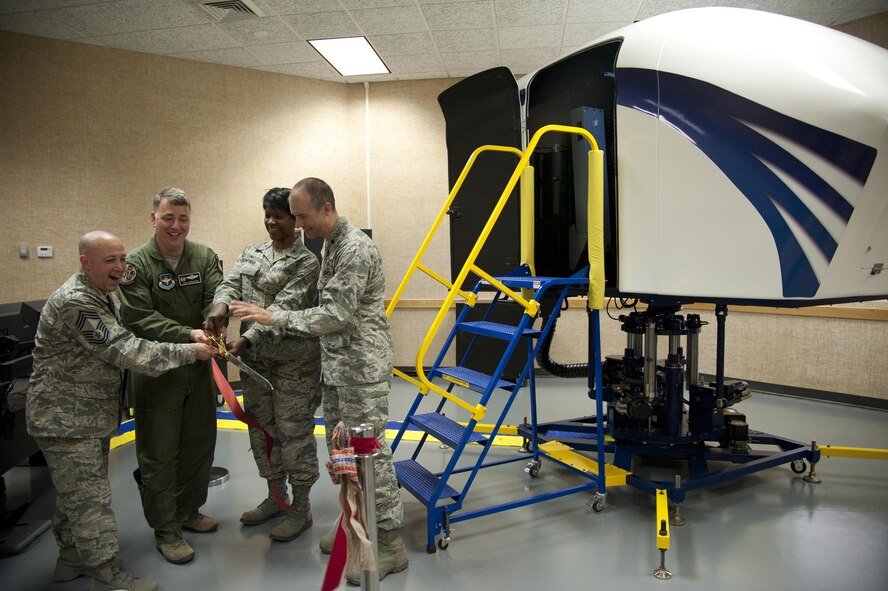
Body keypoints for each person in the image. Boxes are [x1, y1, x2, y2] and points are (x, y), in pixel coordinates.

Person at [230, 177, 407, 584]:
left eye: (303, 216)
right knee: (343, 451)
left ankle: (391, 544)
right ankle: (355, 523)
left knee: (371, 457)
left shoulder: (353, 248)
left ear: (326, 209)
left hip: (361, 370)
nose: (298, 224)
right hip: (337, 367)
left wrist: (273, 315)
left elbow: (333, 315)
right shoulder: (328, 242)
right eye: (294, 216)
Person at [26, 231, 215, 591]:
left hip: (83, 417)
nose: (119, 267)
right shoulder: (77, 302)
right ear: (85, 262)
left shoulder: (101, 294)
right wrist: (190, 351)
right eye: (109, 260)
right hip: (66, 420)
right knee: (90, 501)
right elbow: (126, 350)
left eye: (122, 258)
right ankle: (107, 574)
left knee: (73, 496)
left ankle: (71, 561)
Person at [204, 187, 322, 542]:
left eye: (279, 216)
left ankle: (301, 507)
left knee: (293, 432)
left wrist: (244, 340)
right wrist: (219, 308)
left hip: (293, 365)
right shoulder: (251, 252)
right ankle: (275, 497)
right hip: (255, 364)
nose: (271, 221)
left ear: (295, 221)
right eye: (267, 214)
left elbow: (280, 311)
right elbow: (230, 284)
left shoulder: (307, 263)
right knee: (262, 429)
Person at [117, 187, 223, 565]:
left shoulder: (204, 256)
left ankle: (189, 510)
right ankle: (166, 529)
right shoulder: (135, 265)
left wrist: (215, 319)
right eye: (168, 218)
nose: (176, 226)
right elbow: (138, 318)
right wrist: (189, 333)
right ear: (153, 219)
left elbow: (216, 294)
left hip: (198, 369)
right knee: (159, 452)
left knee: (199, 443)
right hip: (157, 370)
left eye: (183, 219)